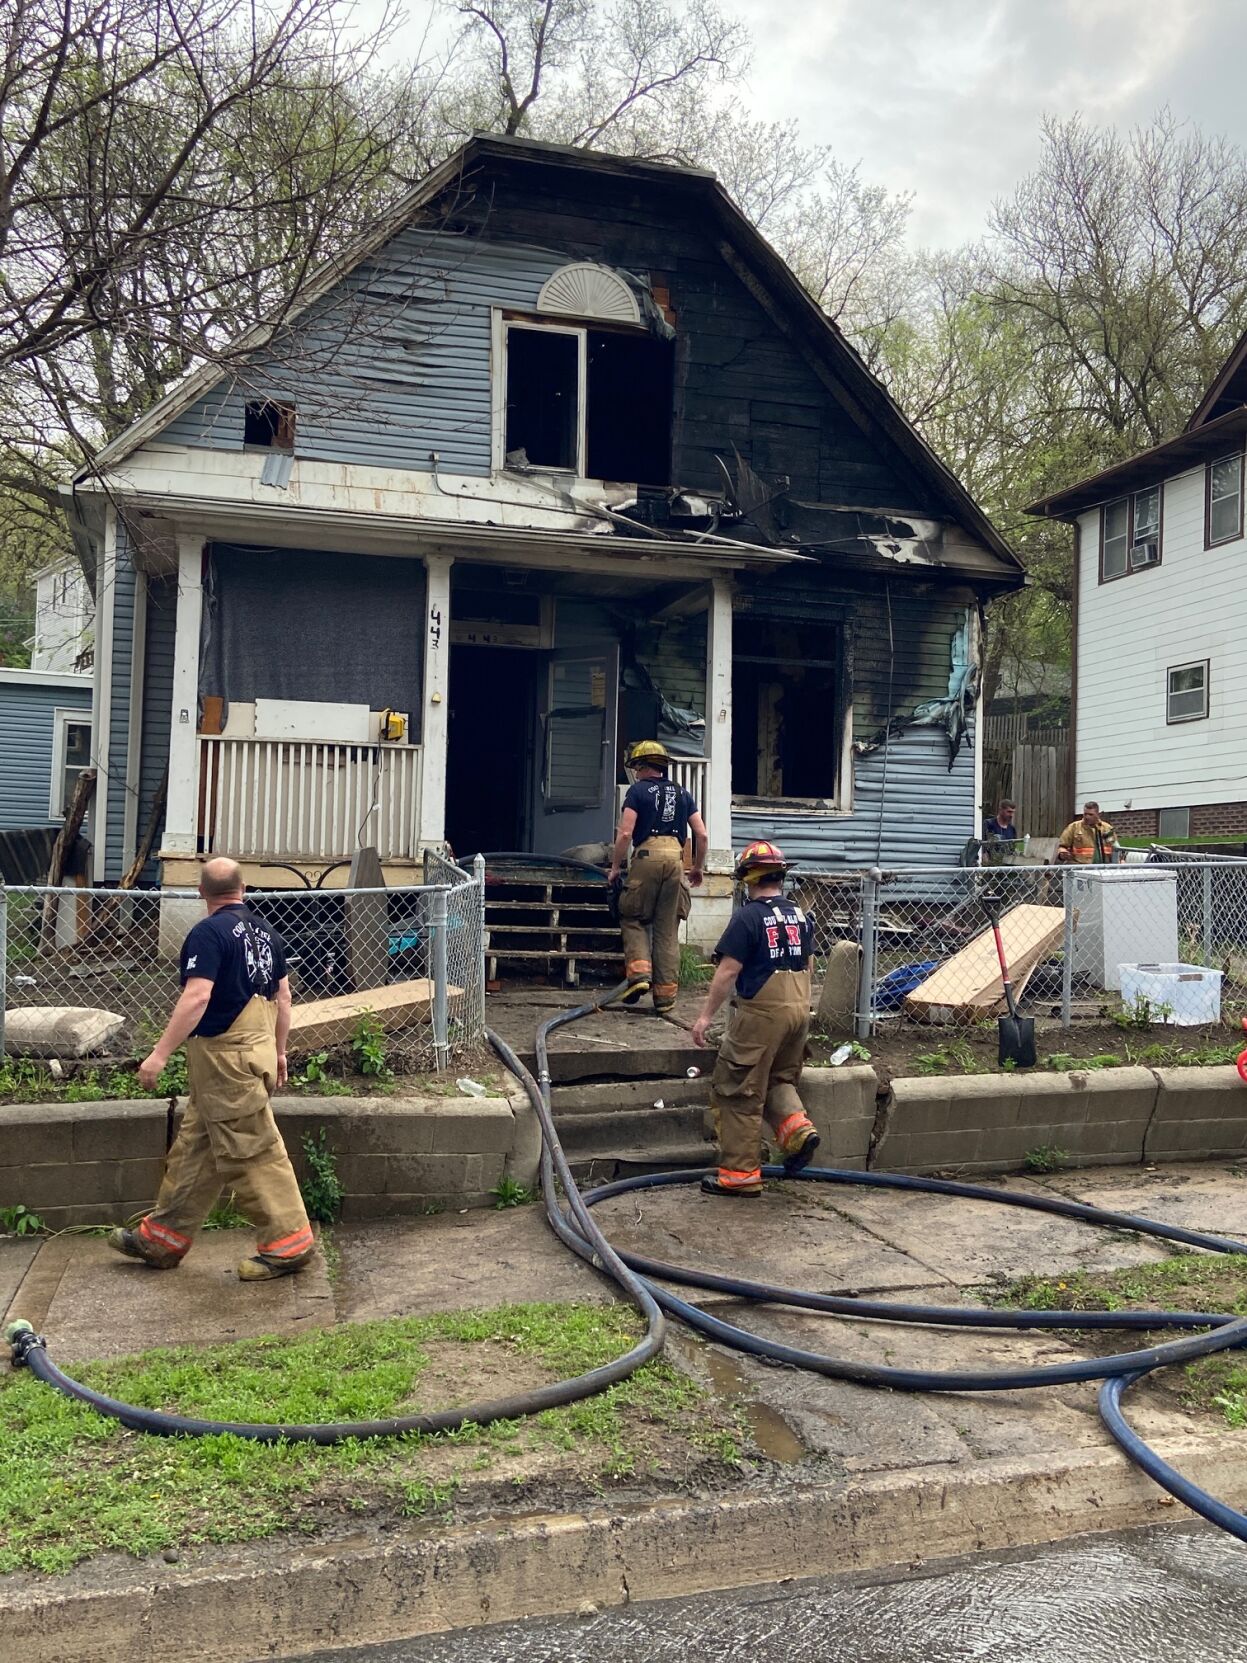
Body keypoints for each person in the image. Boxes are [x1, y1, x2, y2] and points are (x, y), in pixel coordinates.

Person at [109, 857, 315, 1280]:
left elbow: (197, 997)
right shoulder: (268, 934)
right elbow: (284, 1000)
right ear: (244, 889)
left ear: (201, 892)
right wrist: (279, 1053)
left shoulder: (208, 933)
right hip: (253, 1053)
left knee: (252, 1149)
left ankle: (288, 1245)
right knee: (196, 1149)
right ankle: (162, 1239)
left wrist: (159, 1054)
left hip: (225, 1059)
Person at [690, 840, 819, 1197]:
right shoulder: (798, 914)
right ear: (780, 876)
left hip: (762, 1014)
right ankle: (799, 1133)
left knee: (738, 1089)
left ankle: (740, 1176)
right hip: (799, 1009)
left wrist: (703, 1019)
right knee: (778, 1079)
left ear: (749, 879)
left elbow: (728, 972)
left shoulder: (748, 917)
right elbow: (808, 965)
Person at [608, 740, 709, 1014]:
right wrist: (697, 868)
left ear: (640, 766)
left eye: (636, 768)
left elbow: (626, 833)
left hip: (646, 858)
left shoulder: (637, 791)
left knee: (631, 915)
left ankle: (640, 977)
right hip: (676, 861)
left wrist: (615, 867)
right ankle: (665, 998)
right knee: (667, 930)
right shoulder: (683, 793)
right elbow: (701, 834)